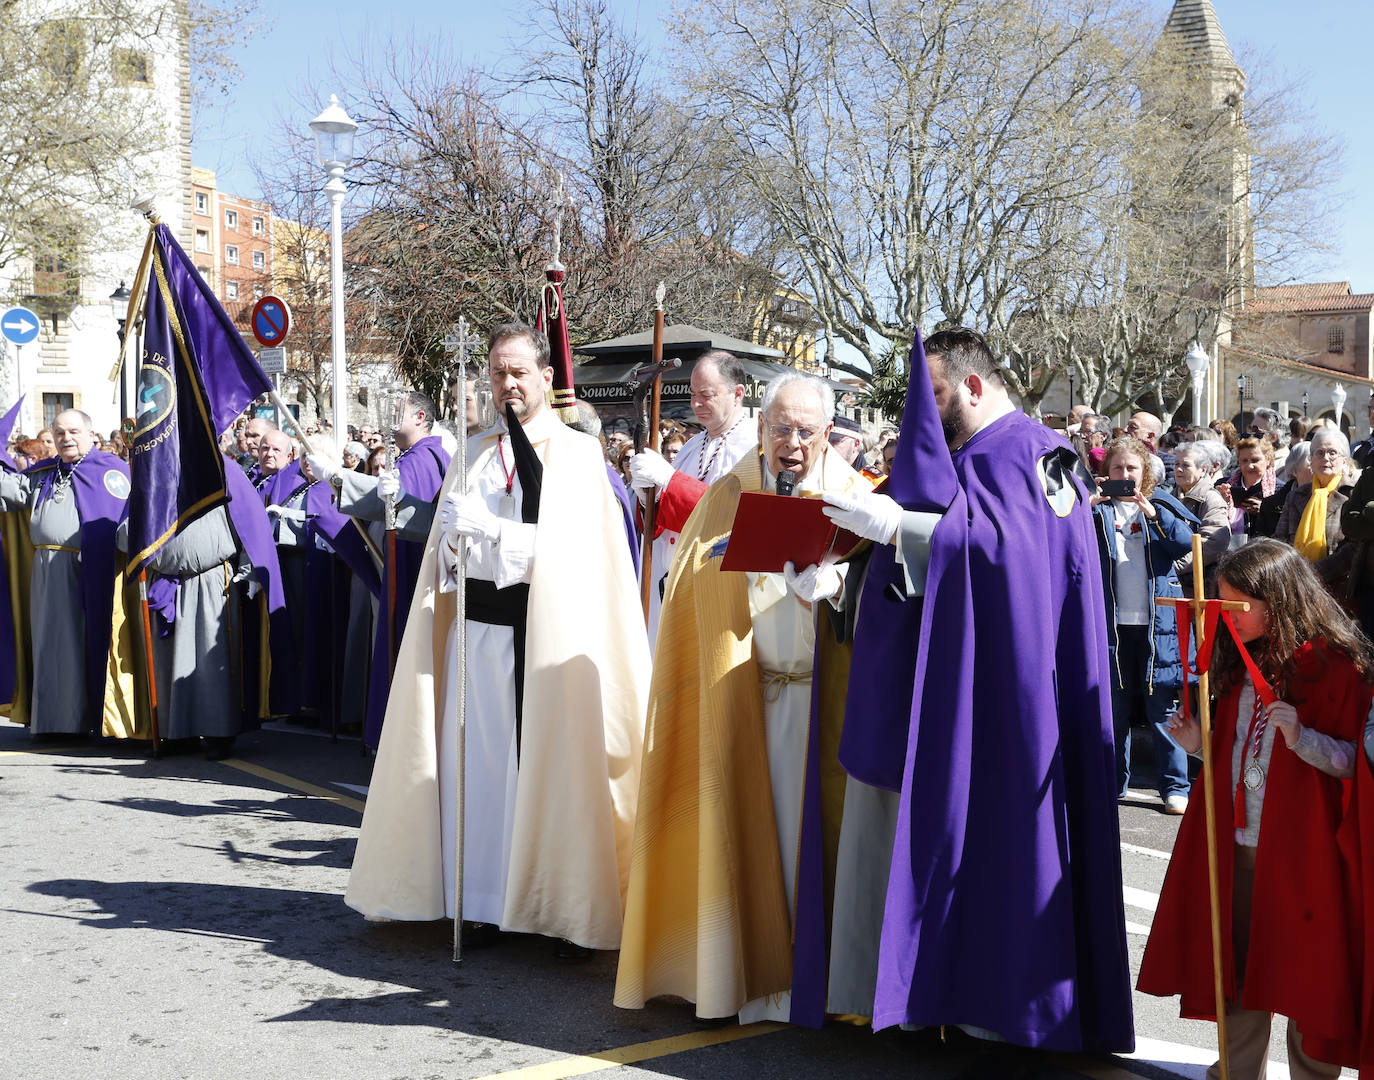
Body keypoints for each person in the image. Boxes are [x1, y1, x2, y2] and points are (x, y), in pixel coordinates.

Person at [820, 328, 1133, 1053]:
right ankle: (943, 999)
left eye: (932, 395)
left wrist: (909, 530)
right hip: (962, 680)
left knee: (1003, 849)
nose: (921, 414)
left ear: (973, 386)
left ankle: (998, 1013)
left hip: (1014, 693)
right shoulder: (963, 455)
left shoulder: (1030, 452)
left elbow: (1017, 558)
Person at [346, 322, 650, 961]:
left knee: (551, 772)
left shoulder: (575, 455)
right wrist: (455, 542)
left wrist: (498, 534)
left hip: (548, 638)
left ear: (545, 377)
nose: (508, 383)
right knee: (478, 769)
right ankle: (479, 900)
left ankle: (553, 908)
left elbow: (584, 558)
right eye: (497, 372)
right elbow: (445, 561)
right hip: (477, 635)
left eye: (519, 372)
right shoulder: (471, 451)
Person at [615, 372, 875, 1025]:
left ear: (827, 434)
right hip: (744, 701)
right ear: (760, 428)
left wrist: (840, 587)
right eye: (781, 428)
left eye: (806, 431)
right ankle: (742, 979)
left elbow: (887, 600)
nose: (792, 442)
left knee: (812, 844)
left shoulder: (856, 497)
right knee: (746, 842)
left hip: (822, 708)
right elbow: (692, 594)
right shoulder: (724, 498)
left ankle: (813, 979)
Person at [1140, 539, 1374, 1079]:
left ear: (1280, 600)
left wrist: (1305, 738)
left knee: (1308, 979)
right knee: (1238, 972)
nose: (1226, 616)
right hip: (1241, 846)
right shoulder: (1238, 660)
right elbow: (1240, 748)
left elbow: (1358, 768)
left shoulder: (1337, 667)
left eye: (1237, 605)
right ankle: (1236, 1073)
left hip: (1306, 856)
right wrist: (1201, 745)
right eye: (1221, 603)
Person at [304, 391, 451, 749]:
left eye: (398, 409)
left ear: (419, 417)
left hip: (412, 575)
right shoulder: (414, 457)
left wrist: (339, 477)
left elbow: (400, 510)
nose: (388, 414)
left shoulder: (422, 458)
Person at [0, 410, 132, 736]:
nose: (65, 438)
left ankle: (88, 719)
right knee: (51, 646)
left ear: (90, 434)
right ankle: (55, 722)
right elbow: (13, 492)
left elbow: (129, 514)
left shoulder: (111, 470)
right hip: (45, 572)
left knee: (83, 644)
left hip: (91, 571)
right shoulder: (44, 472)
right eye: (59, 433)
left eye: (73, 431)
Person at [1091, 435, 1198, 813]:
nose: (1124, 474)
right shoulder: (1096, 510)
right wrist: (1086, 507)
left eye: (1131, 468)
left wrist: (1154, 514)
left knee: (1162, 706)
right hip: (1111, 624)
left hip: (1158, 625)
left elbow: (1187, 542)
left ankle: (1174, 787)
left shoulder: (1161, 504)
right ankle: (1114, 782)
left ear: (1145, 473)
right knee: (1113, 708)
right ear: (1106, 473)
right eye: (1117, 468)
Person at [627, 350, 758, 646]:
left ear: (737, 393)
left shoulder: (755, 446)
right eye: (692, 393)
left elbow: (733, 516)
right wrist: (649, 499)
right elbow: (667, 519)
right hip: (674, 583)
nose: (696, 403)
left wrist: (670, 481)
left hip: (721, 590)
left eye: (706, 394)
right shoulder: (692, 445)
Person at [1274, 426, 1354, 591]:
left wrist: (1313, 573)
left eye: (1332, 452)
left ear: (1344, 460)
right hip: (1296, 586)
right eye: (1319, 453)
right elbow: (1280, 540)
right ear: (1311, 459)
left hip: (1338, 589)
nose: (1326, 458)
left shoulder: (1353, 495)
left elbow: (1354, 548)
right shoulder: (1296, 495)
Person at [1172, 441, 1231, 596]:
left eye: (1186, 465)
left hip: (1201, 586)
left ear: (1203, 469)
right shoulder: (1171, 497)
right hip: (1176, 584)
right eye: (1176, 464)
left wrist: (1174, 566)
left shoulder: (1210, 499)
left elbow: (1214, 542)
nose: (1178, 469)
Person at [1219, 436, 1276, 539]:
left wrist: (1265, 509)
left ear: (1268, 460)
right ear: (1238, 462)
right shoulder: (1225, 485)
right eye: (1244, 461)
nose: (1250, 466)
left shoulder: (1279, 490)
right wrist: (1220, 502)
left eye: (1255, 460)